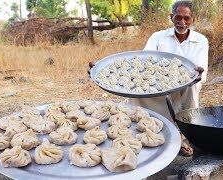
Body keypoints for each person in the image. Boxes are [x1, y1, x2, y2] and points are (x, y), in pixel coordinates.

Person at [89, 0, 209, 156]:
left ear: (193, 19)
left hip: (187, 84)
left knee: (191, 88)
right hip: (158, 83)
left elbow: (201, 69)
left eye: (187, 18)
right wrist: (101, 69)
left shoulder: (200, 40)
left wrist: (198, 75)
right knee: (139, 91)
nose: (182, 22)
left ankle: (181, 136)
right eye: (178, 18)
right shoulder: (158, 37)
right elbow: (143, 64)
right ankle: (150, 131)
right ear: (171, 17)